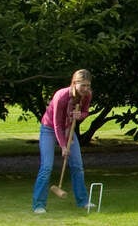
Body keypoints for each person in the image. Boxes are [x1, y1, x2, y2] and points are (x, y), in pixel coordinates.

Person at [33, 69, 93, 215]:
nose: (85, 89)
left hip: (68, 129)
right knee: (46, 167)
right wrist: (63, 146)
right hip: (49, 129)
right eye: (82, 85)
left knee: (77, 165)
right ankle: (39, 205)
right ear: (74, 83)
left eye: (88, 85)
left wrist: (80, 116)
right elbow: (56, 125)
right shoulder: (61, 96)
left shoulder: (87, 95)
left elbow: (85, 112)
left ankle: (83, 201)